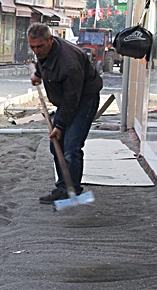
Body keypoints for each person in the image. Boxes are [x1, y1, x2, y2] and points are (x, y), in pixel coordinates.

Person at [28, 23, 103, 204]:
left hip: (84, 98)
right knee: (56, 145)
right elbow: (42, 61)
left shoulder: (69, 64)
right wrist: (38, 74)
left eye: (40, 46)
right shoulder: (45, 51)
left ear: (51, 40)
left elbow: (72, 100)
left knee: (71, 147)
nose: (36, 51)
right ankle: (63, 187)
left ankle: (73, 191)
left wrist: (60, 126)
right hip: (67, 99)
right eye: (33, 47)